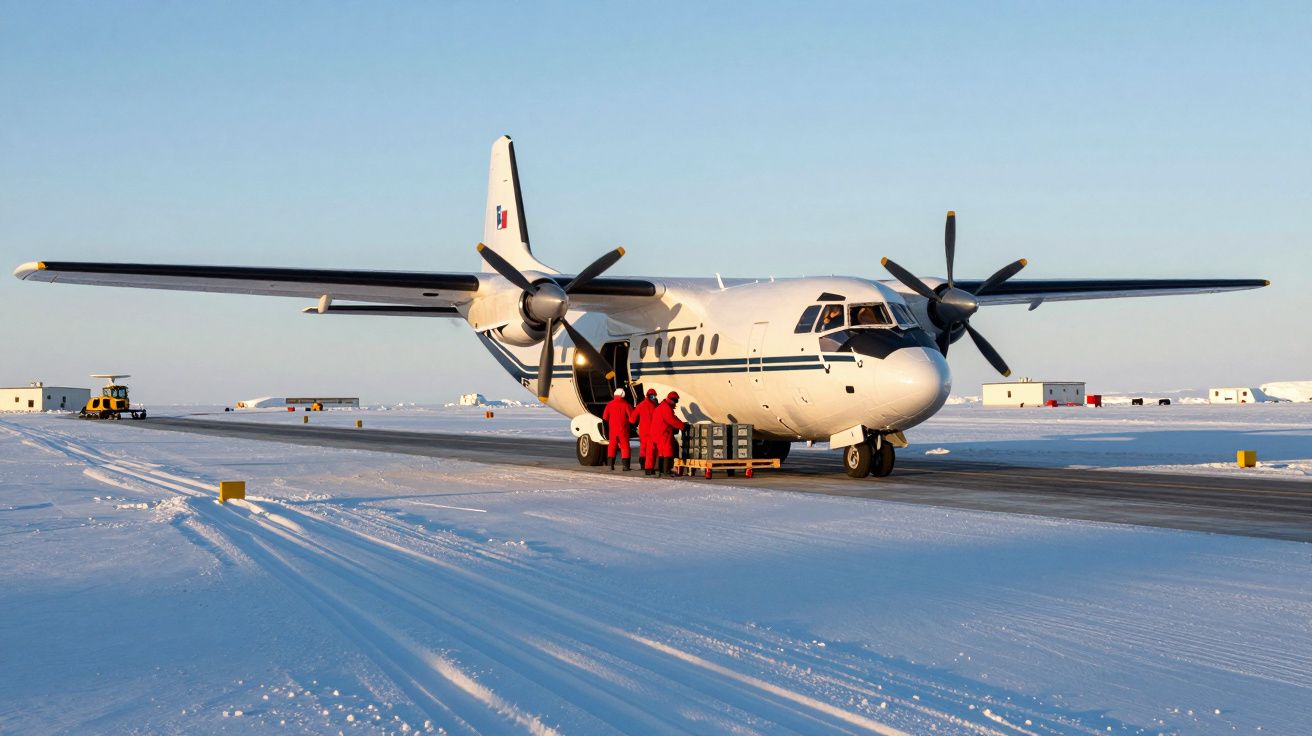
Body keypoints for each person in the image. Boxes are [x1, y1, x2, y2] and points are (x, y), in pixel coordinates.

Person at [652, 391, 687, 477]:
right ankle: (666, 470)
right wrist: (683, 426)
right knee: (667, 450)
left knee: (661, 452)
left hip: (658, 432)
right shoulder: (666, 408)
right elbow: (671, 420)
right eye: (676, 401)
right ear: (672, 400)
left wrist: (682, 424)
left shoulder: (663, 406)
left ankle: (660, 470)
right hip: (663, 433)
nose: (676, 403)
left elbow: (673, 418)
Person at [601, 388, 635, 471]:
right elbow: (632, 419)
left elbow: (605, 417)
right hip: (623, 430)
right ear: (623, 395)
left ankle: (610, 465)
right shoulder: (626, 405)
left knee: (612, 447)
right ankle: (626, 466)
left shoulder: (609, 404)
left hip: (612, 431)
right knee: (625, 447)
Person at [629, 388, 659, 475]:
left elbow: (632, 419)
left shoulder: (640, 405)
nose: (654, 397)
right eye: (653, 396)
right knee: (652, 449)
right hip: (652, 431)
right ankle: (650, 466)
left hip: (643, 431)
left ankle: (643, 465)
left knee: (643, 448)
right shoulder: (655, 406)